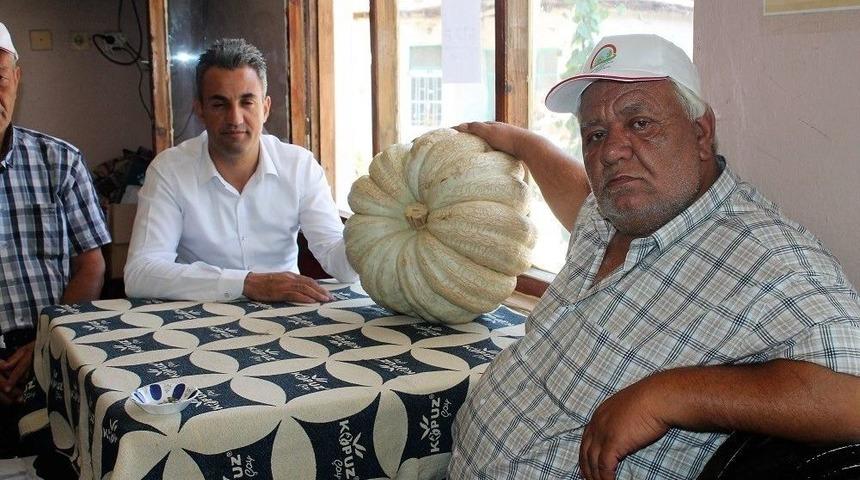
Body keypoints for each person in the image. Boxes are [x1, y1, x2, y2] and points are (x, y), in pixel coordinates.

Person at [448, 34, 860, 480]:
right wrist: (519, 142)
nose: (611, 151)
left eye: (640, 123)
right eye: (595, 135)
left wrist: (669, 395)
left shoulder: (767, 257)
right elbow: (573, 188)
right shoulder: (610, 213)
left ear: (701, 133)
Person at [124, 38, 357, 303]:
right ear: (200, 109)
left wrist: (373, 229)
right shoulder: (169, 170)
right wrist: (246, 284)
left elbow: (341, 265)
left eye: (247, 102)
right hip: (200, 315)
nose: (234, 119)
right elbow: (140, 273)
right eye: (219, 104)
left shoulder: (299, 167)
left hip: (287, 314)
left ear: (265, 108)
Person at [0, 22, 110, 456]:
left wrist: (47, 346)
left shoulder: (59, 161)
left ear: (17, 78)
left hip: (54, 345)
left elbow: (91, 264)